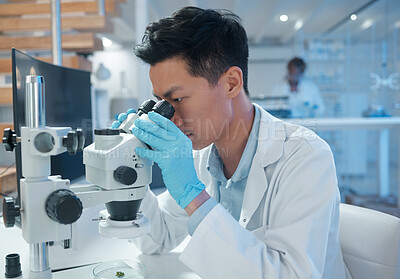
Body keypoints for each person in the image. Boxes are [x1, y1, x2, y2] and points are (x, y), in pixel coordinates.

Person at [112, 7, 351, 279]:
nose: (170, 118)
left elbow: (292, 275)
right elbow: (156, 239)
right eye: (161, 104)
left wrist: (194, 197)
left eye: (177, 100)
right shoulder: (204, 155)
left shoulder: (305, 156)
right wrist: (129, 167)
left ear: (231, 83)